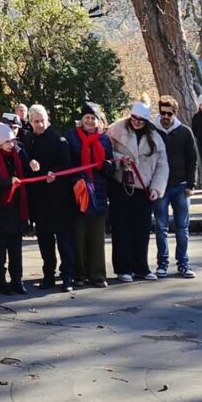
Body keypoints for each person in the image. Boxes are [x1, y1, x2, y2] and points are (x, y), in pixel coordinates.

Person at [107, 101, 169, 283]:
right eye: (133, 118)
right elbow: (104, 152)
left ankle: (141, 266)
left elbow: (162, 165)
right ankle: (123, 267)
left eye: (140, 120)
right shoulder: (115, 129)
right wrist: (119, 159)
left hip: (144, 188)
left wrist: (157, 188)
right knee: (121, 227)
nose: (136, 122)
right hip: (121, 185)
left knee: (142, 229)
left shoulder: (155, 137)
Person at [24, 105, 75, 292]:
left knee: (64, 239)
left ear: (48, 119)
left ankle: (68, 276)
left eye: (42, 120)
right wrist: (30, 163)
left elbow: (66, 164)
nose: (40, 124)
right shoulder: (28, 141)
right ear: (30, 122)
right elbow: (24, 164)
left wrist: (56, 173)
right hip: (40, 201)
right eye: (36, 121)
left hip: (60, 199)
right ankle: (48, 275)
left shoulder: (58, 139)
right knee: (45, 241)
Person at [0, 122, 39, 295]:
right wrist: (8, 182)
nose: (11, 144)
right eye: (8, 142)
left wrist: (32, 166)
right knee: (0, 248)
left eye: (12, 141)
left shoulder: (18, 153)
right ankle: (1, 280)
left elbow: (26, 171)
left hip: (17, 207)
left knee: (16, 247)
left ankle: (17, 279)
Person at [65, 103, 113, 287]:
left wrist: (109, 166)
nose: (90, 121)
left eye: (93, 118)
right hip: (79, 190)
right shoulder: (71, 137)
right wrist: (76, 180)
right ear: (81, 120)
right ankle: (79, 273)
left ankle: (97, 274)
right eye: (87, 118)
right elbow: (67, 162)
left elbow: (109, 161)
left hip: (99, 191)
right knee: (78, 234)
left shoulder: (104, 140)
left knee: (96, 235)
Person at [153, 96, 197, 279]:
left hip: (180, 185)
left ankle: (183, 264)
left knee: (182, 227)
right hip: (160, 186)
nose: (165, 117)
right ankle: (162, 264)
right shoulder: (152, 131)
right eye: (162, 113)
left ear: (175, 113)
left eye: (169, 114)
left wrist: (191, 184)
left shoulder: (185, 132)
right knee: (161, 227)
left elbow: (192, 159)